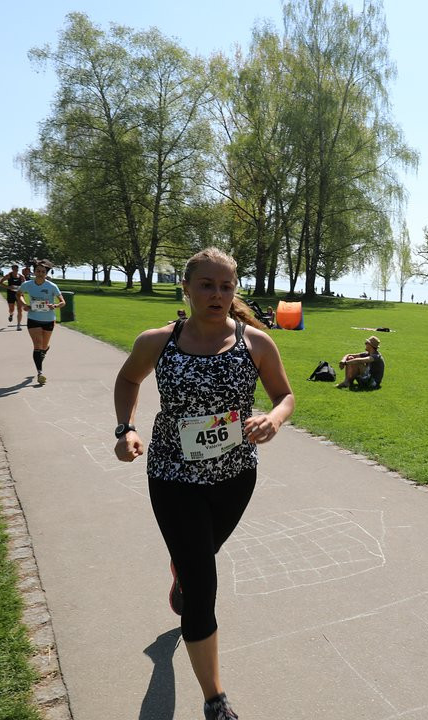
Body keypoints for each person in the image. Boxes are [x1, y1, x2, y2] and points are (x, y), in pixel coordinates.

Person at [113, 247, 294, 720]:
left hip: (235, 476)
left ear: (235, 291)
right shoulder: (159, 341)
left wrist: (274, 419)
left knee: (199, 555)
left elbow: (284, 394)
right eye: (207, 285)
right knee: (202, 583)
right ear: (187, 287)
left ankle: (183, 570)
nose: (217, 294)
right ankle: (215, 699)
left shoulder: (256, 343)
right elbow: (129, 379)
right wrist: (125, 428)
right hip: (173, 475)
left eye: (226, 286)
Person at [18, 260, 65, 386]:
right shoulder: (27, 284)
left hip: (49, 319)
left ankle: (44, 351)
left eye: (43, 272)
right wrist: (24, 305)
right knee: (37, 346)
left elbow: (62, 302)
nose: (40, 273)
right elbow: (19, 294)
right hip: (33, 318)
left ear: (46, 273)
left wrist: (54, 305)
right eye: (38, 271)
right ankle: (40, 373)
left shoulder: (52, 286)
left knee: (44, 347)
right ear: (34, 272)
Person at [0, 264, 26, 330]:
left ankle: (18, 325)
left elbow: (25, 284)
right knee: (11, 308)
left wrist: (22, 288)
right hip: (11, 294)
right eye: (14, 269)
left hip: (19, 294)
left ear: (18, 269)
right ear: (12, 269)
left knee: (20, 309)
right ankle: (11, 314)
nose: (15, 270)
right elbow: (0, 283)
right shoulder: (8, 275)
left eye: (16, 269)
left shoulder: (21, 276)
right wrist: (8, 287)